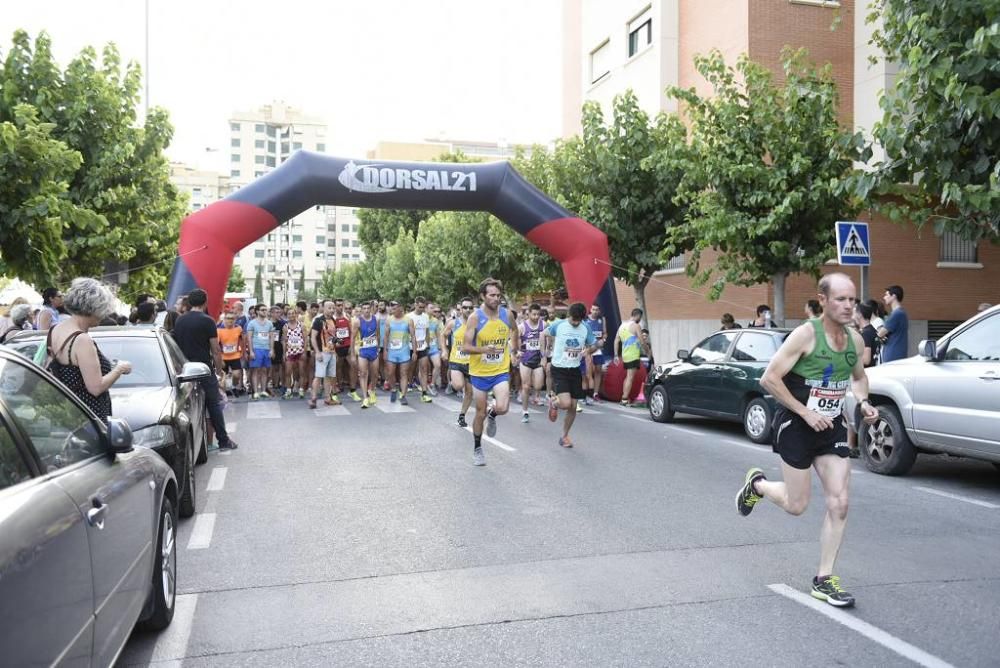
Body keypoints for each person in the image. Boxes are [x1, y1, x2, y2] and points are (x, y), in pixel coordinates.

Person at [735, 273, 878, 607]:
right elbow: (770, 379)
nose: (848, 306)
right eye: (840, 299)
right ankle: (758, 486)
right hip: (797, 425)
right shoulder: (805, 336)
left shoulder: (855, 341)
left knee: (839, 502)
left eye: (852, 300)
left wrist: (864, 401)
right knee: (796, 505)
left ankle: (824, 579)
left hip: (831, 429)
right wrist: (805, 412)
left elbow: (859, 378)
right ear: (823, 300)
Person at [44, 278, 132, 423]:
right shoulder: (82, 340)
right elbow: (96, 388)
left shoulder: (56, 329)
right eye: (103, 309)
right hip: (88, 418)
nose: (105, 315)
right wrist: (119, 369)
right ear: (93, 308)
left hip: (66, 414)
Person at [170, 288, 239, 449]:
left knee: (188, 406)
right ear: (205, 302)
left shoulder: (180, 320)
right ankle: (223, 440)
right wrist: (219, 369)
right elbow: (215, 349)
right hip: (204, 368)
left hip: (185, 370)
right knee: (213, 405)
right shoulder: (208, 321)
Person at [463, 278, 520, 466]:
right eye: (492, 295)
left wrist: (514, 351)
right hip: (479, 372)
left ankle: (493, 414)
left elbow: (514, 332)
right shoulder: (475, 318)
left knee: (503, 407)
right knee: (479, 412)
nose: (496, 298)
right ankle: (477, 448)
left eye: (498, 295)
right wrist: (483, 350)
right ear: (483, 296)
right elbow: (465, 346)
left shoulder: (507, 315)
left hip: (500, 370)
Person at [546, 302, 598, 447]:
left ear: (582, 319)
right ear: (569, 315)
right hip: (559, 368)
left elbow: (594, 344)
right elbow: (544, 334)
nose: (575, 323)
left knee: (573, 406)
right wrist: (546, 353)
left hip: (575, 370)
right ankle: (554, 403)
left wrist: (588, 351)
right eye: (573, 319)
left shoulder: (585, 328)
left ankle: (564, 436)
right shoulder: (559, 325)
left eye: (578, 320)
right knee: (565, 403)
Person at [443, 297, 475, 427]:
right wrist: (444, 350)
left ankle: (462, 416)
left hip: (471, 362)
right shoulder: (453, 323)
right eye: (465, 307)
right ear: (460, 309)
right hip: (456, 360)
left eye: (470, 307)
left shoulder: (477, 324)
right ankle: (452, 383)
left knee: (469, 392)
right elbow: (443, 335)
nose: (467, 310)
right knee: (458, 385)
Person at [383, 300, 416, 404]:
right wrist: (385, 350)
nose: (392, 310)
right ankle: (393, 389)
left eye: (394, 308)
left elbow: (413, 336)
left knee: (404, 373)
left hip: (404, 351)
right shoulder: (389, 320)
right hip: (392, 351)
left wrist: (415, 351)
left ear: (400, 308)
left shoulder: (408, 320)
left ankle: (403, 395)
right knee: (390, 373)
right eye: (391, 308)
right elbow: (386, 336)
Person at [518, 303, 546, 422]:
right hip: (525, 360)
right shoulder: (522, 326)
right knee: (526, 386)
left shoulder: (544, 325)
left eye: (538, 315)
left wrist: (545, 355)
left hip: (538, 359)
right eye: (533, 314)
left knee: (538, 385)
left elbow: (548, 340)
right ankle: (525, 411)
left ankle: (535, 397)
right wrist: (518, 351)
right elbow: (515, 339)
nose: (536, 317)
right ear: (528, 314)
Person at [309, 300, 340, 408]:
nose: (332, 310)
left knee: (329, 376)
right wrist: (317, 352)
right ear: (324, 308)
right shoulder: (318, 321)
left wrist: (335, 350)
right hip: (322, 352)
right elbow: (312, 337)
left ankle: (328, 398)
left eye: (333, 308)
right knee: (318, 376)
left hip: (331, 352)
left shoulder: (333, 320)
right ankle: (313, 399)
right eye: (329, 308)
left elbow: (332, 336)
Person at [352, 301, 380, 408]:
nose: (367, 310)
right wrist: (352, 354)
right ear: (362, 310)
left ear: (371, 309)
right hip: (363, 350)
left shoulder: (375, 319)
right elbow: (353, 338)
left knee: (375, 373)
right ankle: (365, 397)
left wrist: (378, 348)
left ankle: (371, 390)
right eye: (364, 308)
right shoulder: (357, 322)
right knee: (363, 373)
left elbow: (378, 334)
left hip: (373, 350)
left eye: (368, 308)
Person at [407, 297, 434, 403]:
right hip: (410, 346)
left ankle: (424, 393)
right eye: (419, 307)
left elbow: (427, 331)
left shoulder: (426, 317)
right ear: (415, 304)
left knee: (424, 369)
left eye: (423, 307)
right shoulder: (408, 316)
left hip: (423, 346)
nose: (421, 309)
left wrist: (427, 345)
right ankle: (409, 383)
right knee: (411, 368)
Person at [614, 308, 644, 407]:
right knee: (630, 377)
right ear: (638, 316)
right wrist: (648, 352)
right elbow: (642, 341)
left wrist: (615, 355)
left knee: (627, 377)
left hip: (625, 354)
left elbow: (616, 340)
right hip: (633, 354)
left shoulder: (622, 326)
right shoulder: (636, 326)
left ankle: (624, 397)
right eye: (640, 317)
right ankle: (624, 399)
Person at [245, 304, 274, 399]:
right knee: (255, 370)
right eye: (262, 310)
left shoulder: (269, 323)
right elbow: (249, 338)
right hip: (256, 348)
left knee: (265, 370)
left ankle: (263, 390)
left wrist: (272, 349)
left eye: (266, 310)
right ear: (257, 311)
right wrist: (251, 351)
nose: (265, 311)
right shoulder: (252, 323)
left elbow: (271, 337)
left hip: (266, 349)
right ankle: (255, 391)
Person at [584, 303, 608, 404]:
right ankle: (585, 393)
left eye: (597, 310)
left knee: (598, 370)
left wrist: (604, 339)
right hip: (588, 348)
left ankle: (595, 393)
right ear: (590, 309)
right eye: (593, 309)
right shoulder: (585, 319)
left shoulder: (602, 319)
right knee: (587, 370)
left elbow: (605, 332)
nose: (595, 311)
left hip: (598, 348)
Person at [878, 285, 909, 363]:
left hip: (893, 356)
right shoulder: (901, 313)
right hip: (896, 354)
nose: (884, 297)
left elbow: (880, 333)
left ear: (894, 296)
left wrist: (880, 331)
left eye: (886, 295)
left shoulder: (897, 314)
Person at [217, 311, 245, 396]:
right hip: (223, 357)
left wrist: (242, 352)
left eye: (232, 318)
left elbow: (242, 340)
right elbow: (216, 345)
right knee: (222, 376)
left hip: (235, 355)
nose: (230, 320)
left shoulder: (238, 328)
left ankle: (233, 386)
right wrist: (219, 359)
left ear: (235, 319)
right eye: (228, 318)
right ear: (224, 319)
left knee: (237, 375)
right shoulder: (219, 329)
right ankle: (223, 392)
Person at [281, 307, 307, 398]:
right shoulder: (285, 327)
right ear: (287, 315)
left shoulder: (301, 325)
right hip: (290, 352)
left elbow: (305, 339)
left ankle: (301, 390)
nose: (291, 315)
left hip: (300, 351)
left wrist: (304, 351)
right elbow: (284, 340)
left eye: (293, 313)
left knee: (301, 372)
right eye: (289, 314)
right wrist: (284, 353)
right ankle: (288, 390)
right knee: (288, 372)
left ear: (296, 315)